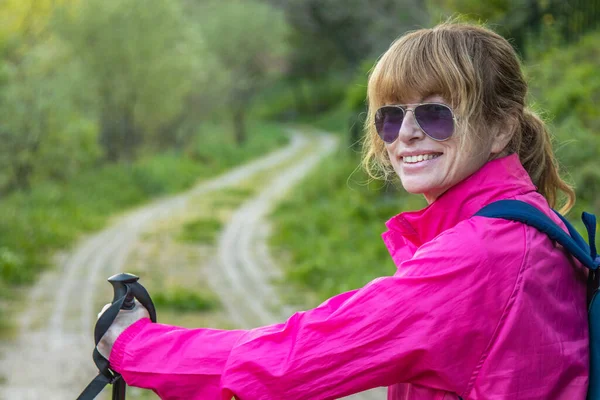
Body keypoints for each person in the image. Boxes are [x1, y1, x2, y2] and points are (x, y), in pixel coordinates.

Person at [97, 22, 589, 399]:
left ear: (501, 128)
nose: (407, 134)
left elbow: (299, 356)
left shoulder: (480, 255)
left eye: (436, 113)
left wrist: (134, 346)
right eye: (391, 116)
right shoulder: (531, 223)